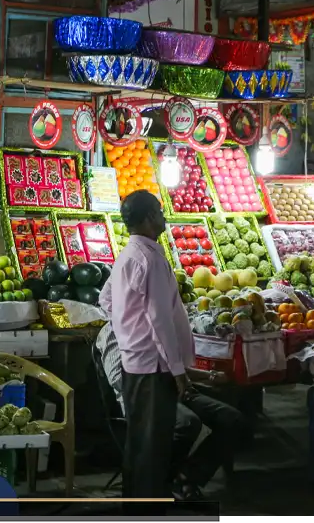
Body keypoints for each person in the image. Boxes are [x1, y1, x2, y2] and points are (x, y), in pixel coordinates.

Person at [98, 189, 195, 499]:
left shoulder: (129, 254)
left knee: (140, 443)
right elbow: (159, 319)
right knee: (153, 446)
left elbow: (106, 299)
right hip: (153, 365)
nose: (164, 216)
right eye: (160, 211)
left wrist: (128, 329)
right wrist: (177, 368)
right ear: (150, 217)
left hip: (135, 361)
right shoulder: (149, 258)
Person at [96, 323, 244, 500]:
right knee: (187, 423)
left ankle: (187, 476)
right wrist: (167, 385)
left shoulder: (152, 323)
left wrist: (208, 375)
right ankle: (159, 482)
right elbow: (118, 379)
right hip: (143, 398)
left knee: (232, 420)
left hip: (177, 389)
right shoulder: (113, 329)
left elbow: (174, 367)